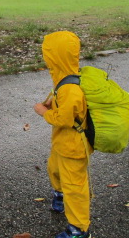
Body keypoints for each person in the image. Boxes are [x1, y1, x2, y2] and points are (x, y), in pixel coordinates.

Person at [33, 31, 92, 238]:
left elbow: (64, 119)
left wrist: (44, 112)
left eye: (49, 55)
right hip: (62, 144)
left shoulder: (70, 89)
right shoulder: (65, 79)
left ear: (57, 57)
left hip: (73, 148)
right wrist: (51, 102)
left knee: (75, 187)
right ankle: (60, 194)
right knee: (54, 169)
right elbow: (66, 105)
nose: (46, 59)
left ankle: (79, 228)